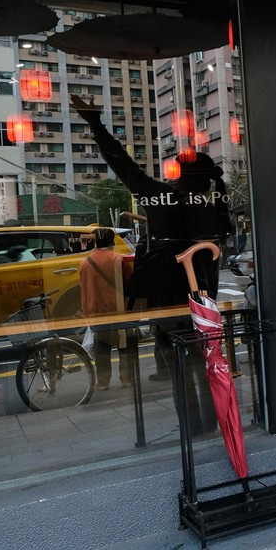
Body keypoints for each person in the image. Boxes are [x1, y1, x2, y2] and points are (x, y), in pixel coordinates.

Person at [71, 95, 230, 430]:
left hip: (168, 307)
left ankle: (191, 426)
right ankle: (211, 423)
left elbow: (124, 166)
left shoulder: (164, 201)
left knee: (178, 370)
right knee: (205, 365)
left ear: (184, 177)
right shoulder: (212, 210)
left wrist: (96, 125)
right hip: (205, 306)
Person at [79, 226, 134, 391]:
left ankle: (103, 382)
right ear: (112, 241)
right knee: (124, 345)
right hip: (118, 309)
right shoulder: (117, 259)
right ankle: (126, 379)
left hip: (96, 311)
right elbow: (129, 283)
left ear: (95, 242)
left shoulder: (85, 263)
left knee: (102, 347)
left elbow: (83, 288)